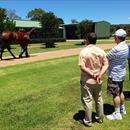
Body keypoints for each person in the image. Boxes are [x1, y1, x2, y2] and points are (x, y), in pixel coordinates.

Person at [79, 32, 108, 127]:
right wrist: (99, 74)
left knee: (87, 100)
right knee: (99, 98)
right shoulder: (101, 51)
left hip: (87, 80)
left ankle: (88, 121)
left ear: (87, 40)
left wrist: (93, 74)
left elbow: (82, 67)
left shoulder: (83, 52)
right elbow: (106, 64)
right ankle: (100, 118)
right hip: (98, 80)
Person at [106, 29, 129, 120]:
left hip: (115, 74)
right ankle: (122, 109)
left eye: (114, 37)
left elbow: (107, 56)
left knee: (115, 95)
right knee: (120, 92)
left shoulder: (117, 48)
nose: (114, 38)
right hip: (121, 73)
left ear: (117, 38)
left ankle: (117, 113)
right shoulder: (126, 46)